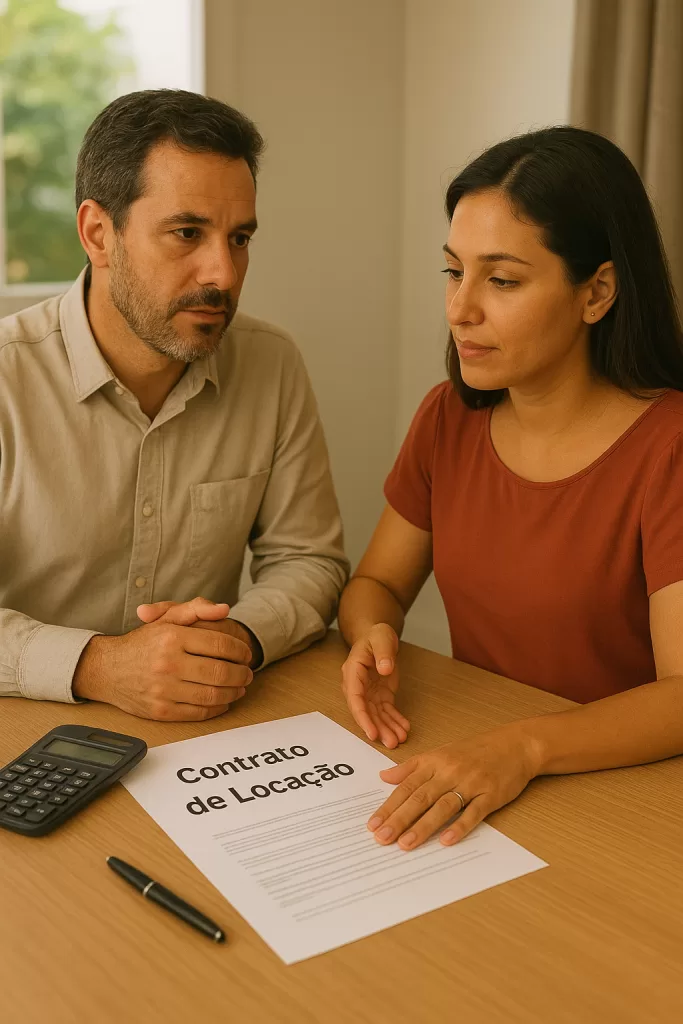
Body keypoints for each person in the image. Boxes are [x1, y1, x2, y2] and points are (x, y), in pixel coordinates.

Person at [339, 126, 683, 852]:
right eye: (451, 271)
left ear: (596, 292)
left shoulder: (669, 447)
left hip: (621, 796)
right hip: (480, 769)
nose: (460, 308)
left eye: (500, 280)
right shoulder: (446, 419)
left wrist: (522, 749)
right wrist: (369, 633)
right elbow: (376, 582)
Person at [0, 89, 348, 720]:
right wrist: (101, 665)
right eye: (187, 233)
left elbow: (308, 560)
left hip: (202, 727)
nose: (222, 272)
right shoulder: (5, 378)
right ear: (98, 233)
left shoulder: (272, 364)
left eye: (239, 238)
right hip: (24, 731)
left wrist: (234, 640)